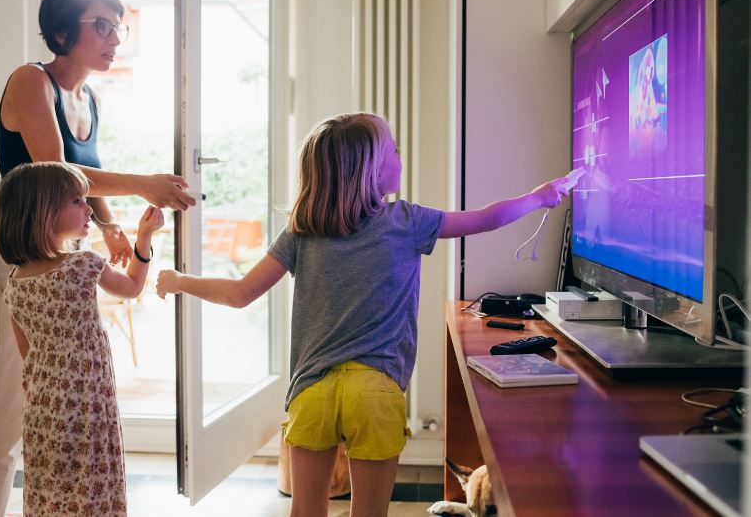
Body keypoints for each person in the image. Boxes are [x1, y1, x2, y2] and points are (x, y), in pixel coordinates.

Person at [155, 112, 570, 517]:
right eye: (393, 149)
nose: (400, 156)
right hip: (377, 391)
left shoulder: (302, 229)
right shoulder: (406, 220)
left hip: (312, 392)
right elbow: (485, 219)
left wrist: (178, 281)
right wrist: (540, 197)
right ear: (371, 171)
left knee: (305, 508)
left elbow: (240, 293)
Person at [0, 0, 195, 515]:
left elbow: (78, 189)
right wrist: (141, 183)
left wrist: (111, 226)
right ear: (64, 31)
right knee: (3, 427)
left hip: (63, 258)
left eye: (119, 26)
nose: (115, 37)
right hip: (17, 267)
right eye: (103, 25)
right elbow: (59, 173)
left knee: (57, 413)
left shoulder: (88, 98)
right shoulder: (31, 81)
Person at [0, 161, 163, 516]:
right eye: (77, 201)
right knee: (93, 490)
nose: (89, 209)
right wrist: (143, 239)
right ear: (43, 211)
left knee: (52, 491)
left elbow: (28, 355)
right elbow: (132, 287)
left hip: (44, 410)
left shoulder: (14, 282)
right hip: (87, 406)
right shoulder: (84, 264)